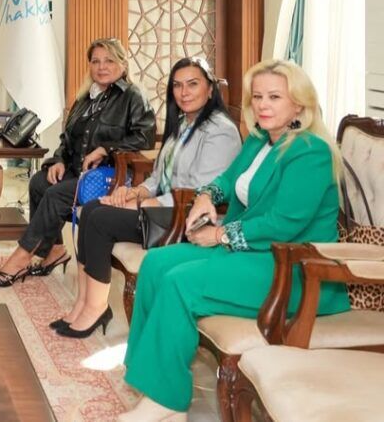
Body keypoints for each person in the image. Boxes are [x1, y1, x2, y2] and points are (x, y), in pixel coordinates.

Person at [119, 59, 349, 421]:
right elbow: (227, 180)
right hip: (254, 253)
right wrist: (207, 195)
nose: (263, 105)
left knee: (180, 283)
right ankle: (155, 385)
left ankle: (167, 401)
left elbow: (284, 224)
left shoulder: (310, 151)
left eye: (275, 97)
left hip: (294, 269)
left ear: (299, 104)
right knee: (156, 263)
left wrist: (221, 234)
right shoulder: (260, 140)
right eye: (257, 96)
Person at [54, 57, 241, 338]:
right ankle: (84, 302)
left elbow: (202, 192)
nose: (184, 92)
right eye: (177, 85)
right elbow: (159, 177)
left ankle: (96, 307)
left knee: (100, 220)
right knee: (91, 208)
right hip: (166, 208)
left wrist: (148, 204)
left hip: (189, 217)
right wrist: (135, 192)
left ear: (210, 89)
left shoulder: (220, 131)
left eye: (192, 84)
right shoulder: (183, 124)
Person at [0, 38, 156, 287]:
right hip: (76, 172)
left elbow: (144, 137)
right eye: (95, 61)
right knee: (39, 183)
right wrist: (58, 160)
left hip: (108, 177)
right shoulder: (86, 98)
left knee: (55, 195)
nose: (101, 67)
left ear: (123, 64)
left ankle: (20, 259)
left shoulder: (132, 96)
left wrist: (105, 148)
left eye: (109, 60)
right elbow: (67, 138)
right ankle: (55, 250)